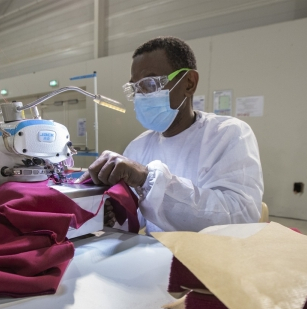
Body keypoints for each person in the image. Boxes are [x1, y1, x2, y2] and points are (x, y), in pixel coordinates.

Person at [77, 37, 263, 234]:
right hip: (156, 257)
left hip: (209, 259)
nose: (141, 96)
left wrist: (147, 178)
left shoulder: (228, 134)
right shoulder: (138, 146)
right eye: (135, 88)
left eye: (149, 83)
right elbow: (136, 218)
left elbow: (240, 218)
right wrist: (112, 213)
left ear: (189, 83)